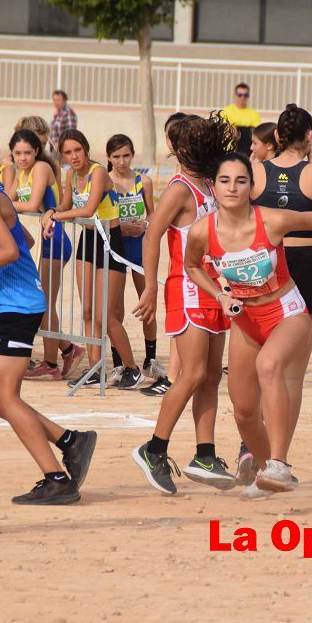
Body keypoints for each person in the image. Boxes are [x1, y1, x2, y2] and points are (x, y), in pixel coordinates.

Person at [184, 153, 312, 497]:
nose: (233, 188)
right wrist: (220, 295)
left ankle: (279, 462)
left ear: (252, 187)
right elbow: (193, 266)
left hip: (287, 311)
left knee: (270, 366)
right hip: (246, 320)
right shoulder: (202, 231)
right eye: (225, 181)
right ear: (214, 187)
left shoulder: (273, 220)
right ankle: (271, 474)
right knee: (244, 411)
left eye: (241, 181)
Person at [0, 127, 97, 505]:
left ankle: (56, 477)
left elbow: (11, 249)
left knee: (6, 396)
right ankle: (69, 440)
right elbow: (25, 242)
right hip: (12, 307)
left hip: (20, 307)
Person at [131, 114, 236, 494]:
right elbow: (151, 236)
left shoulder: (210, 183)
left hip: (214, 288)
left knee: (210, 375)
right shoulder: (179, 190)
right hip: (187, 286)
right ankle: (153, 449)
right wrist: (148, 290)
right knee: (191, 374)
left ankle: (204, 454)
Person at [246, 104, 312, 482]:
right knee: (291, 375)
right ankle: (276, 458)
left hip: (261, 267)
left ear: (277, 137)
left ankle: (255, 448)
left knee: (258, 366)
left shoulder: (255, 172)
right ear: (310, 136)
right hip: (302, 266)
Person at [42, 130, 144, 390]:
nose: (74, 156)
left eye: (77, 150)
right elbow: (66, 204)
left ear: (86, 150)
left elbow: (88, 209)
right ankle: (95, 368)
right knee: (86, 310)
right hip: (87, 241)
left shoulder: (98, 172)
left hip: (110, 240)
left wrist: (56, 217)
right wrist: (53, 210)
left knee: (106, 315)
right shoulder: (70, 175)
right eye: (68, 152)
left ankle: (132, 369)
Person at [6, 129, 81, 382]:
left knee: (43, 303)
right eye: (18, 153)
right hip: (41, 242)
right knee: (41, 303)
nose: (23, 157)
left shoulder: (40, 168)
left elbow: (30, 203)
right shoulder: (21, 173)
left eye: (28, 152)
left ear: (37, 151)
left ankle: (53, 361)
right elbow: (9, 198)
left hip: (55, 238)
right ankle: (68, 350)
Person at [106, 133, 166, 380]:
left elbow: (153, 214)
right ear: (108, 157)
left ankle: (150, 360)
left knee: (147, 302)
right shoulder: (106, 181)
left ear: (133, 155)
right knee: (115, 307)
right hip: (116, 246)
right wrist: (120, 225)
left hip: (140, 247)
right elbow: (101, 215)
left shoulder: (144, 181)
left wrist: (144, 225)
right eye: (117, 156)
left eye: (126, 155)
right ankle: (119, 362)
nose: (122, 161)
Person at [139, 112, 191, 399]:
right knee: (178, 324)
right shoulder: (181, 180)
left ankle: (174, 378)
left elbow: (152, 233)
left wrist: (149, 286)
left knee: (182, 325)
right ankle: (174, 375)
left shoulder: (185, 185)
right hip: (181, 264)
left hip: (190, 270)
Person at [221, 83, 260, 157]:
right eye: (240, 95)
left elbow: (257, 131)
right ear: (235, 95)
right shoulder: (227, 110)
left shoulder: (253, 112)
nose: (242, 97)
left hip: (248, 148)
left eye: (245, 95)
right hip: (232, 148)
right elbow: (229, 129)